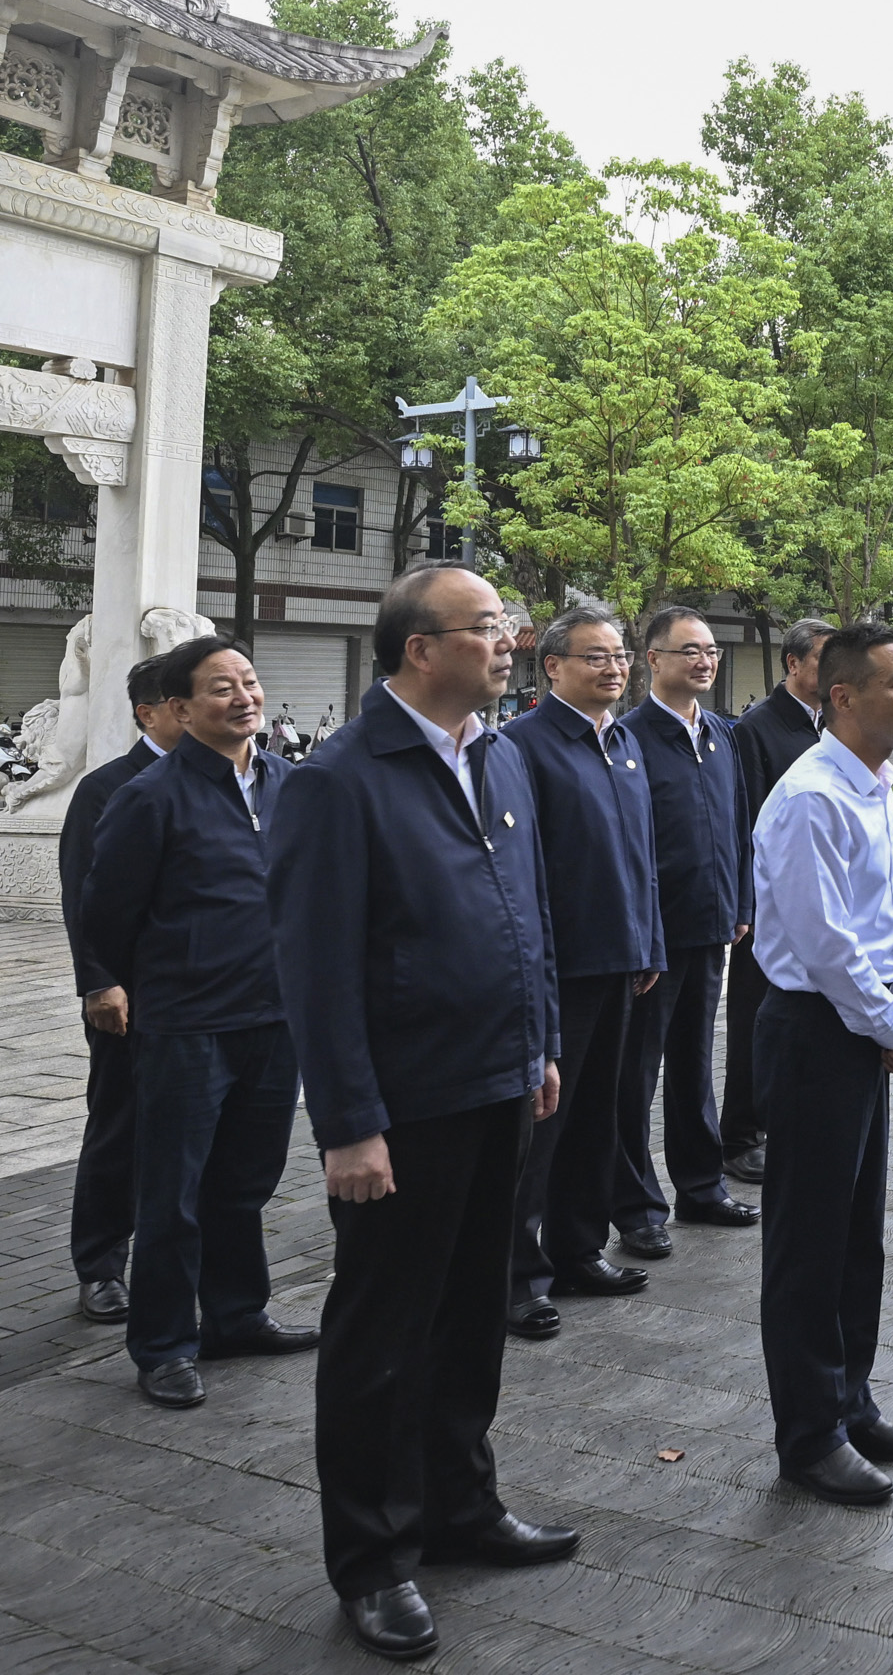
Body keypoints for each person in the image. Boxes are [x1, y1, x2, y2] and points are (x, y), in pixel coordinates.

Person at [270, 564, 575, 1662]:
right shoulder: (340, 780)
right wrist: (348, 1122)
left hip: (499, 1083)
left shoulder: (496, 754)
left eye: (507, 627)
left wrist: (539, 1042)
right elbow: (316, 969)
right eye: (488, 628)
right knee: (382, 1336)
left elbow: (522, 911)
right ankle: (372, 1558)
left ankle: (460, 1504)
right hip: (402, 1109)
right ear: (418, 650)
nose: (509, 643)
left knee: (471, 1315)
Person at [80, 636, 314, 1407]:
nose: (243, 697)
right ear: (178, 709)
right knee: (173, 1194)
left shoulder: (288, 783)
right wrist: (106, 983)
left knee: (245, 1182)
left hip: (274, 1016)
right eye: (221, 688)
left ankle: (237, 1315)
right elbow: (105, 909)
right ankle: (164, 1344)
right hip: (186, 1025)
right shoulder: (148, 797)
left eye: (248, 682)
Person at [750, 621, 893, 1507]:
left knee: (857, 1231)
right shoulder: (809, 797)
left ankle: (849, 1399)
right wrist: (882, 1021)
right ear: (842, 696)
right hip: (815, 1030)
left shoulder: (876, 783)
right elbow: (825, 941)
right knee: (808, 1242)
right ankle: (808, 1434)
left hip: (863, 1028)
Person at [500, 603, 665, 1340]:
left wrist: (649, 940)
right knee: (541, 1130)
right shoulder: (523, 747)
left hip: (622, 962)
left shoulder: (623, 741)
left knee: (601, 1116)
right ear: (554, 667)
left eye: (620, 655)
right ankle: (517, 1277)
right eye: (595, 657)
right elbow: (519, 870)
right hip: (559, 968)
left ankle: (577, 1249)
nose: (614, 667)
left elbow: (641, 856)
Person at [613, 606, 759, 1256]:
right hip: (652, 937)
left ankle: (700, 1187)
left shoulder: (722, 735)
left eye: (711, 651)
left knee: (696, 1064)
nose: (705, 660)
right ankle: (636, 1206)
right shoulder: (629, 740)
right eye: (689, 650)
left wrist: (741, 901)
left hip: (710, 925)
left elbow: (739, 828)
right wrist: (639, 933)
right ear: (653, 661)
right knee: (635, 1073)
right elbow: (624, 846)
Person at [58, 652, 177, 1325]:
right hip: (131, 997)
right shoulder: (106, 789)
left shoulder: (233, 780)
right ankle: (101, 1265)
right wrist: (99, 982)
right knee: (120, 1126)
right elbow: (84, 895)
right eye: (182, 700)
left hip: (211, 994)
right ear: (150, 712)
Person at [721, 616, 831, 1186]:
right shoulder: (758, 729)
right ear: (793, 664)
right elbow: (748, 824)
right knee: (752, 1018)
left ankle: (782, 1122)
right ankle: (740, 1134)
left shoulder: (828, 726)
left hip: (818, 899)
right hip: (767, 904)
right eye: (823, 660)